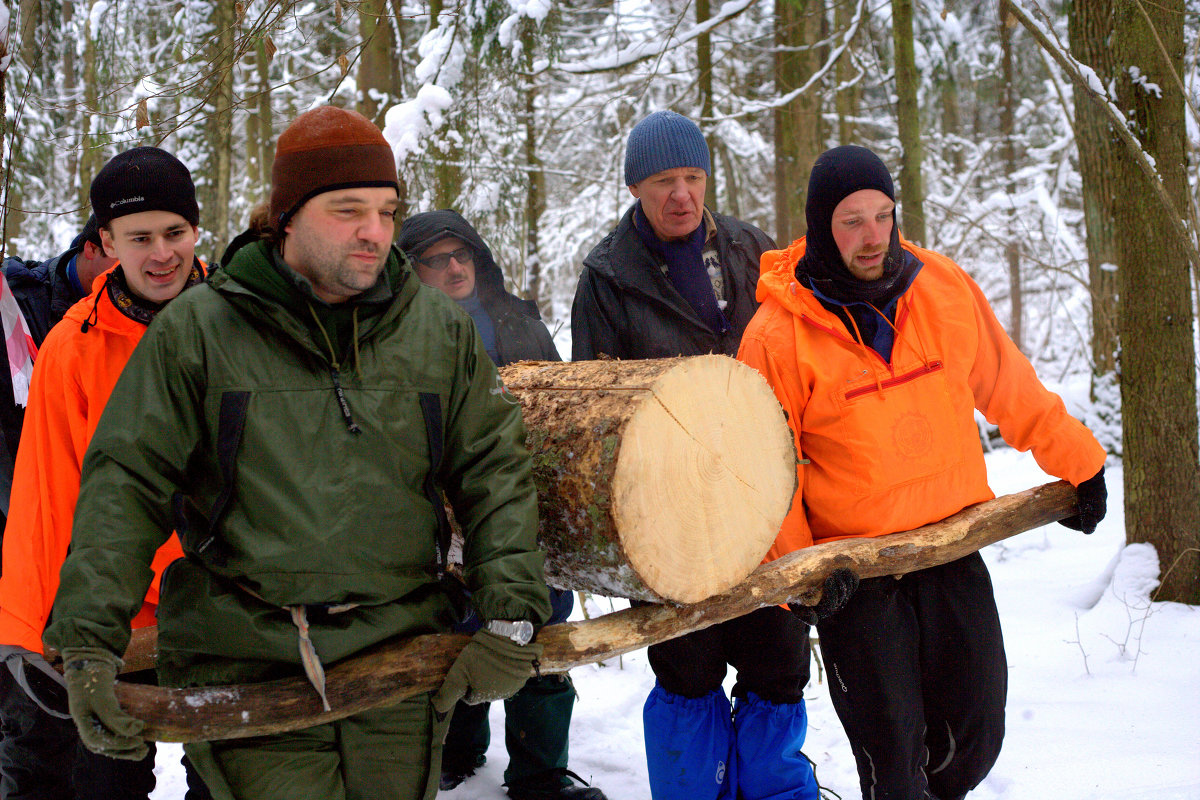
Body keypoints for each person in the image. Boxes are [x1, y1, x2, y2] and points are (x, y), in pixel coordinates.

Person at [44, 105, 552, 800]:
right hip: (249, 658)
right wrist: (89, 643)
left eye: (386, 210)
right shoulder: (200, 330)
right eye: (348, 211)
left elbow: (494, 469)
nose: (374, 232)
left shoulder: (435, 331)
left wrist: (511, 613)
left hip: (400, 658)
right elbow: (125, 484)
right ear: (286, 218)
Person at [737, 144, 1108, 800]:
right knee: (891, 755)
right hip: (857, 578)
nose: (873, 235)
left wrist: (1080, 462)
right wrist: (804, 579)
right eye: (852, 221)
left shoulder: (941, 287)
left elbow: (1009, 385)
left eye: (883, 215)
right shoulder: (776, 336)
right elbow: (764, 473)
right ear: (823, 225)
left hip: (951, 547)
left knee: (977, 731)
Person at [570, 109, 823, 800]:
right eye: (661, 181)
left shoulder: (753, 250)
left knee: (777, 664)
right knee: (688, 667)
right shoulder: (607, 276)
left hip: (764, 498)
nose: (680, 194)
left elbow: (797, 358)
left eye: (692, 176)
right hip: (670, 516)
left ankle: (775, 792)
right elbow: (590, 406)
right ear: (634, 189)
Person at [0, 147, 208, 800]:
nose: (161, 253)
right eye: (139, 237)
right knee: (105, 778)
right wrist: (26, 632)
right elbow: (45, 493)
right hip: (116, 617)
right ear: (106, 242)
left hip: (229, 606)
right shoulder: (72, 345)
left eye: (174, 233)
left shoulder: (244, 325)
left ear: (197, 232)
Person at [398, 210, 605, 800]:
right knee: (455, 635)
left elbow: (561, 413)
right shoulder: (402, 332)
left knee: (539, 632)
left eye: (460, 254)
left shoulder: (517, 318)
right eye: (435, 260)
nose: (453, 267)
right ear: (413, 271)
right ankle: (455, 753)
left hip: (527, 510)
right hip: (441, 517)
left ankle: (540, 774)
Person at [0, 215, 117, 539]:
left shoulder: (131, 304)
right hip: (34, 509)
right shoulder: (16, 305)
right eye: (120, 254)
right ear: (92, 249)